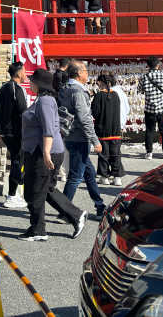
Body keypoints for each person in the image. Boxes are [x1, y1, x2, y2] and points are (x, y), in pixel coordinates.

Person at [21, 68, 87, 241]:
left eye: (32, 81)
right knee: (45, 189)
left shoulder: (45, 101)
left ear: (39, 84)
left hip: (43, 151)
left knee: (36, 190)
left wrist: (45, 153)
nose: (30, 83)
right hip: (40, 150)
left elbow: (49, 129)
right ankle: (76, 215)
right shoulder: (42, 100)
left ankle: (38, 230)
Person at [59, 61, 106, 217]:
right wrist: (95, 140)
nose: (87, 73)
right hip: (80, 138)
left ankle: (99, 205)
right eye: (85, 70)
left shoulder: (65, 88)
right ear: (79, 73)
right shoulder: (78, 91)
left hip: (69, 135)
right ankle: (65, 212)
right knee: (75, 176)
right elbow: (84, 118)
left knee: (89, 173)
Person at [0, 62, 28, 209]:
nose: (26, 74)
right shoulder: (16, 89)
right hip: (15, 131)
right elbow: (23, 112)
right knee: (17, 161)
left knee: (16, 159)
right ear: (19, 74)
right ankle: (12, 195)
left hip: (6, 131)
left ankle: (13, 193)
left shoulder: (3, 88)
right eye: (24, 72)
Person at [92, 72, 125, 186]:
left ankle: (104, 176)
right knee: (116, 154)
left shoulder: (98, 96)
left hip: (102, 129)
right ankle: (117, 177)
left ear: (101, 83)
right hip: (115, 129)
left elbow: (95, 113)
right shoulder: (115, 95)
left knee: (103, 154)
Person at [140, 56, 163, 160]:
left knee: (149, 131)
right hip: (162, 107)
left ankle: (149, 153)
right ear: (158, 65)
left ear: (148, 66)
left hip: (149, 108)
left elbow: (140, 90)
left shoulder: (144, 77)